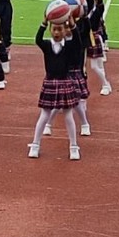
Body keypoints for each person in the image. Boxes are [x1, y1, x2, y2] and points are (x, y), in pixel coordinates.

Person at [28, 18, 81, 160]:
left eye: (60, 29)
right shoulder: (46, 45)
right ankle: (35, 145)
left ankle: (74, 147)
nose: (57, 32)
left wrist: (73, 25)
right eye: (54, 29)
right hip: (50, 82)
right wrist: (44, 23)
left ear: (65, 31)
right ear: (50, 30)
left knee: (68, 115)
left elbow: (78, 42)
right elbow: (38, 39)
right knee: (44, 115)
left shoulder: (68, 46)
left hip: (65, 82)